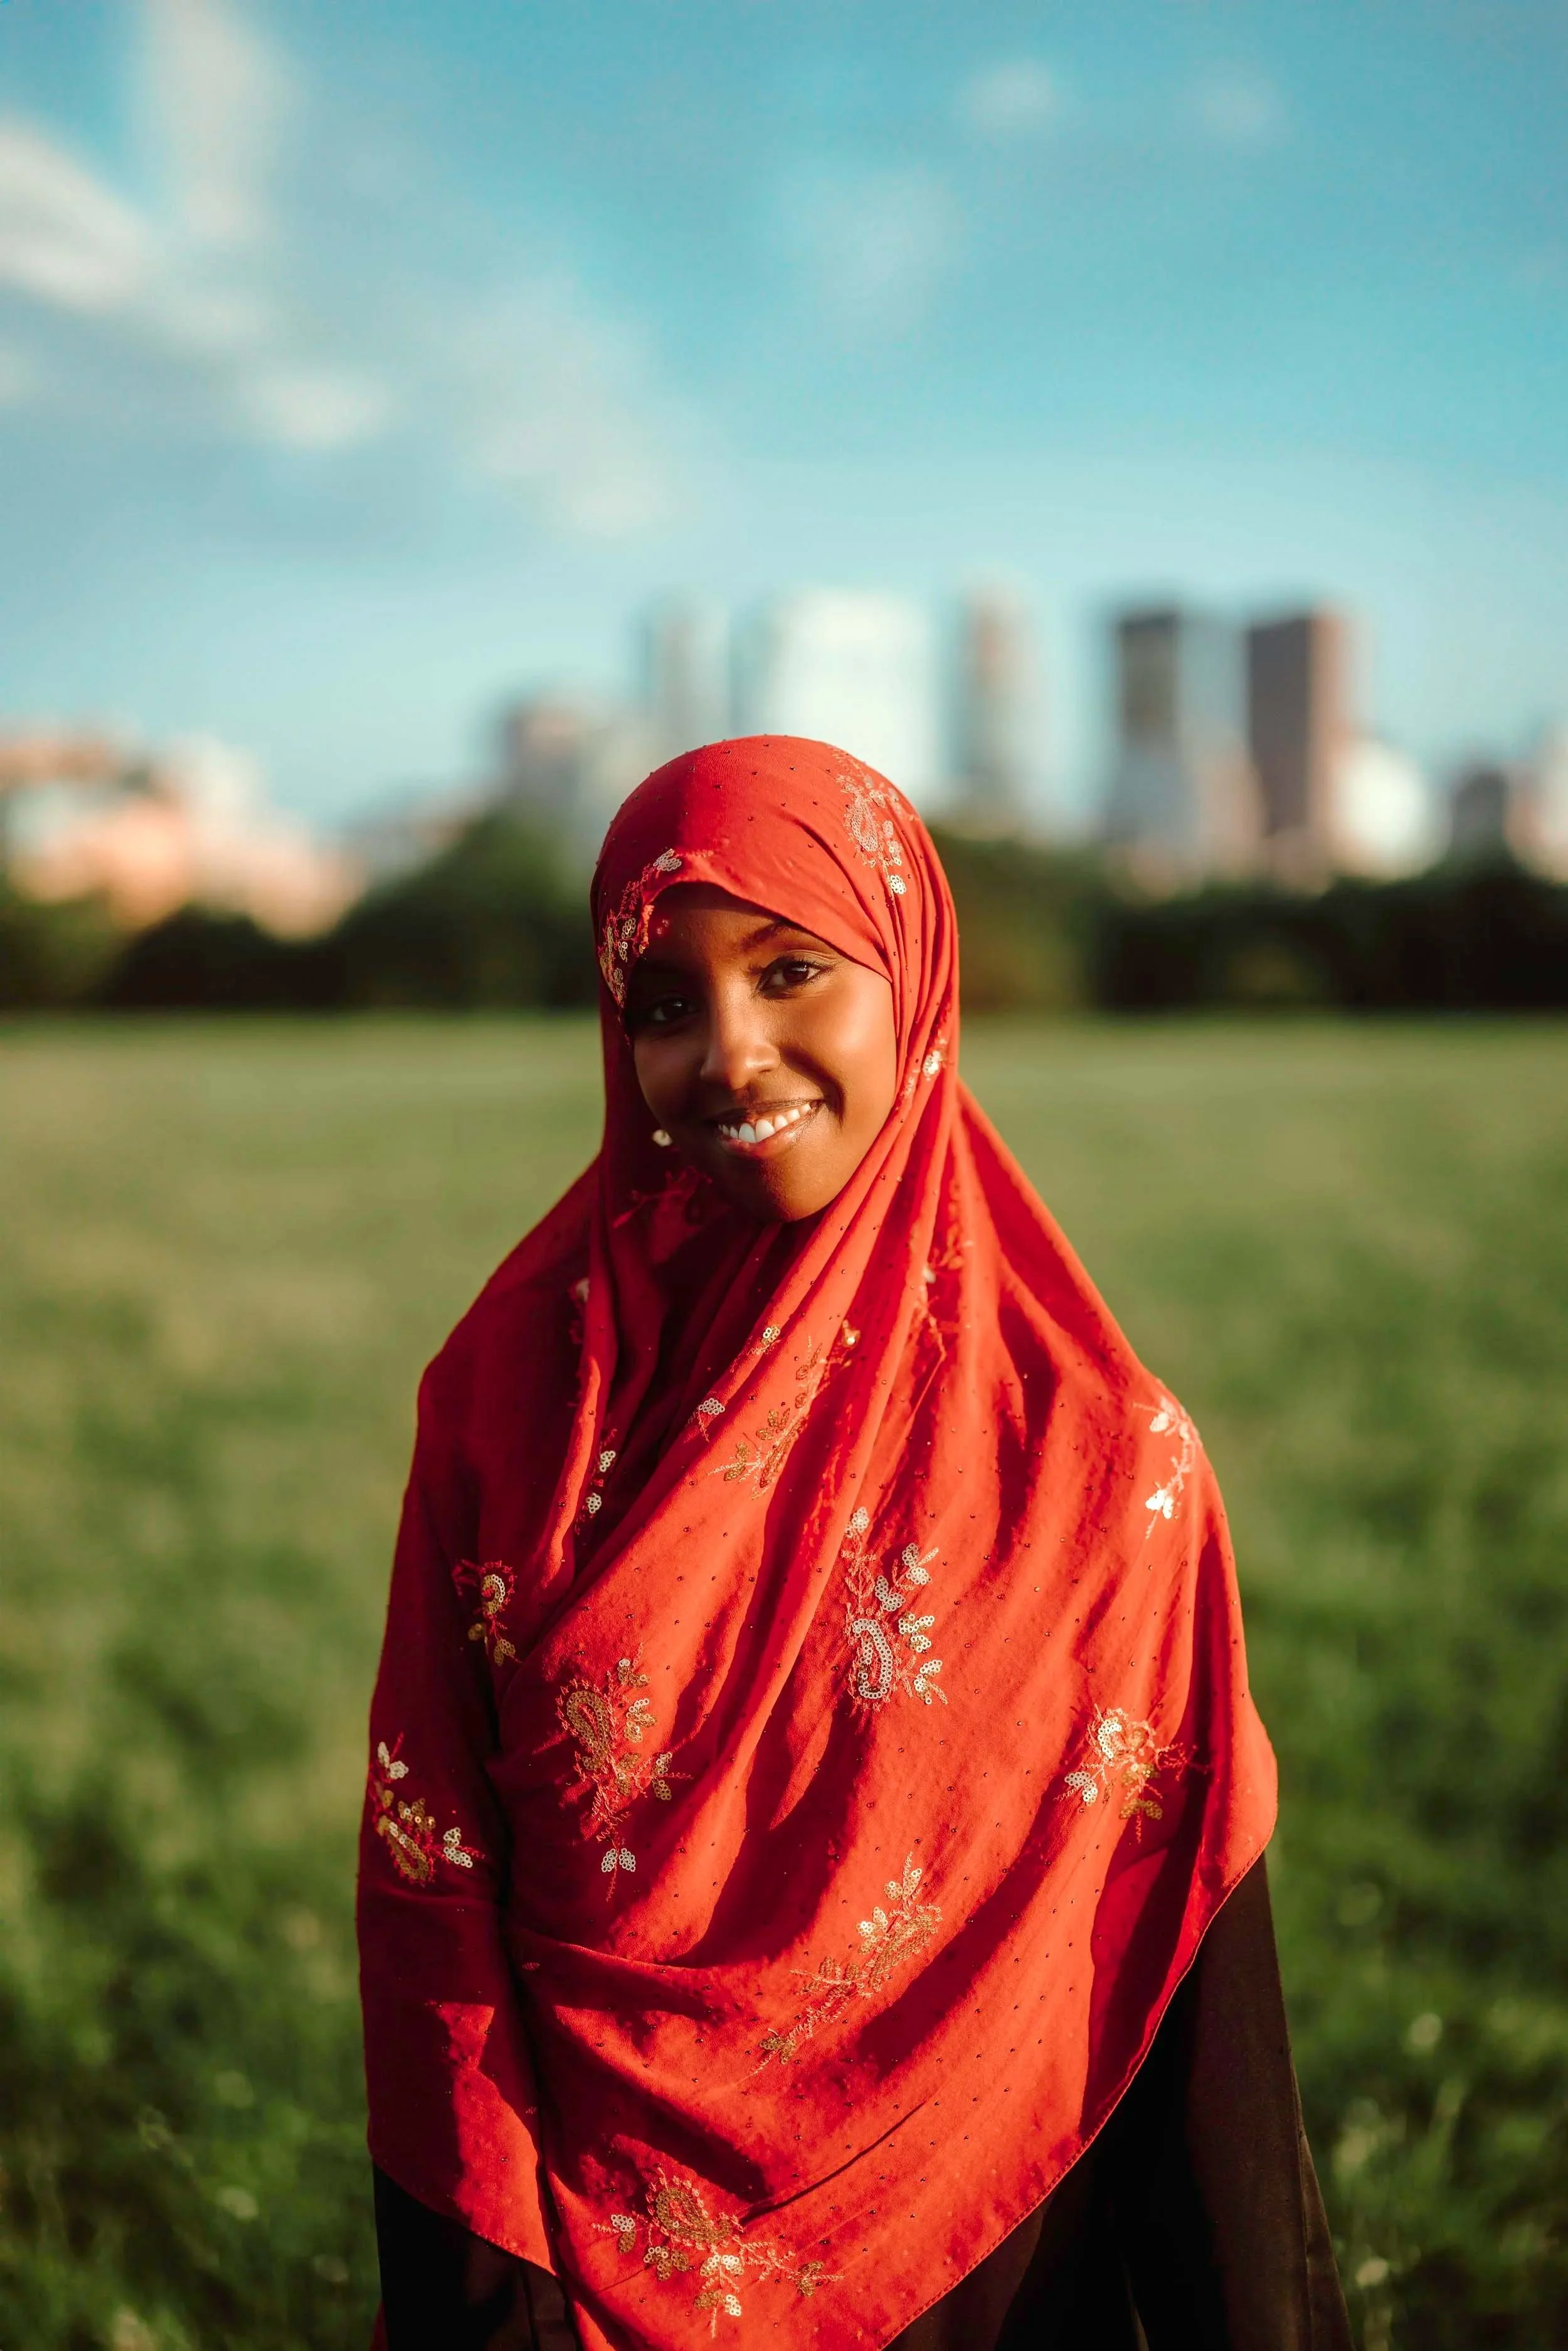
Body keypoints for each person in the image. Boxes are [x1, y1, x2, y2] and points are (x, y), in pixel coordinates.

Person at [358, 737, 1351, 2351]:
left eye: (791, 970)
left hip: (996, 2274)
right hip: (582, 2292)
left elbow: (1187, 1991)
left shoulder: (1102, 1462)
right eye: (662, 1000)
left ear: (912, 973)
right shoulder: (507, 1400)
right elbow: (430, 1898)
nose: (728, 1052)